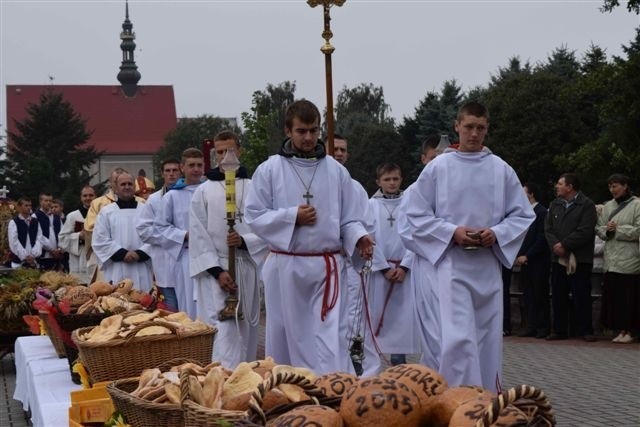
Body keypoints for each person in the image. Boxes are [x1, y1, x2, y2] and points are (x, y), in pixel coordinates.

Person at [398, 101, 534, 392]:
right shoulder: (438, 168)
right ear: (457, 126)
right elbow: (416, 214)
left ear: (487, 129)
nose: (474, 134)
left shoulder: (501, 169)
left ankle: (484, 398)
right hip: (452, 265)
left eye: (480, 128)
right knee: (457, 338)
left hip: (487, 266)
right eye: (469, 127)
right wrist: (452, 232)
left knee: (486, 338)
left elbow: (523, 214)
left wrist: (496, 233)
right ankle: (458, 402)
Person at [244, 99, 375, 375]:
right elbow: (254, 215)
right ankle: (290, 393)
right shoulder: (270, 169)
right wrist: (292, 217)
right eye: (302, 131)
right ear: (288, 131)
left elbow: (350, 217)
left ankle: (330, 390)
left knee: (330, 339)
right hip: (286, 267)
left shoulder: (337, 171)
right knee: (284, 337)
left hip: (326, 269)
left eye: (314, 131)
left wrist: (359, 236)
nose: (309, 137)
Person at [190, 131, 267, 368]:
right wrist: (217, 271)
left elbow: (265, 226)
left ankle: (246, 377)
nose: (224, 157)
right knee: (223, 331)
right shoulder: (203, 190)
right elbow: (198, 234)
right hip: (216, 271)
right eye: (220, 152)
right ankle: (222, 378)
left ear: (239, 151)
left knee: (246, 330)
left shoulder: (255, 187)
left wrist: (244, 241)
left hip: (245, 265)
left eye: (229, 151)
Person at [329, 133, 383, 377]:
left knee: (353, 321)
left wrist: (358, 242)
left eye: (343, 149)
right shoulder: (315, 184)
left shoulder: (356, 188)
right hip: (324, 263)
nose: (339, 153)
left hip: (350, 264)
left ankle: (359, 370)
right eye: (335, 148)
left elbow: (366, 224)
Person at [396, 133, 441, 369]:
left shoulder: (455, 186)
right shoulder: (415, 191)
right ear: (424, 159)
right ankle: (436, 377)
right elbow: (406, 232)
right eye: (434, 158)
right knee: (435, 331)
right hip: (428, 265)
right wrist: (445, 241)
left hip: (458, 267)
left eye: (443, 156)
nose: (439, 162)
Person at [368, 163, 419, 366]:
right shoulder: (370, 205)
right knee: (377, 320)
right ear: (378, 181)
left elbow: (415, 235)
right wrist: (383, 267)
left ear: (401, 179)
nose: (391, 183)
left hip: (404, 273)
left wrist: (405, 266)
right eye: (387, 179)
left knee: (401, 325)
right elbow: (368, 237)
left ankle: (400, 367)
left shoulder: (411, 204)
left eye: (395, 179)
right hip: (380, 272)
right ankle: (373, 367)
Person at [544, 173, 598, 342]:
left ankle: (585, 330)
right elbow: (548, 228)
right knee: (558, 294)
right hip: (558, 258)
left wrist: (565, 245)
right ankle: (559, 330)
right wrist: (556, 246)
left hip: (579, 258)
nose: (557, 186)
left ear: (570, 187)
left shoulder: (586, 205)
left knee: (581, 294)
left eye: (560, 184)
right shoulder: (555, 204)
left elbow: (585, 230)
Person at [156, 148, 205, 319]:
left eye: (199, 165)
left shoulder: (211, 190)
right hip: (187, 256)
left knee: (211, 303)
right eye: (191, 165)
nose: (196, 169)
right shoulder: (172, 196)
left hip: (213, 254)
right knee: (189, 306)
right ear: (182, 168)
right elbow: (161, 227)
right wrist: (184, 235)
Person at [595, 174, 640, 344]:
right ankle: (620, 329)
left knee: (629, 298)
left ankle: (630, 330)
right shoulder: (607, 206)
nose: (612, 190)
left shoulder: (637, 205)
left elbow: (638, 230)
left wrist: (618, 229)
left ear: (625, 186)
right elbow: (599, 228)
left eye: (615, 186)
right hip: (611, 259)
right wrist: (607, 231)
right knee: (615, 299)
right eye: (610, 187)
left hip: (630, 260)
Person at [92, 173, 152, 290]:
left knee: (143, 303)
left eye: (130, 184)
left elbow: (154, 236)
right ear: (116, 188)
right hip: (116, 267)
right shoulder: (106, 212)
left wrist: (139, 254)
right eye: (123, 184)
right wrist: (123, 254)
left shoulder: (145, 209)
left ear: (134, 188)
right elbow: (99, 239)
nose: (127, 187)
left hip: (140, 266)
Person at [135, 158, 182, 311]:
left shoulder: (192, 194)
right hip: (165, 261)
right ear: (162, 174)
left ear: (181, 171)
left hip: (187, 259)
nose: (171, 174)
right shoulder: (153, 200)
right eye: (167, 171)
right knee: (172, 309)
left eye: (175, 170)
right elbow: (144, 231)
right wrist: (173, 236)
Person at [515, 182, 551, 338]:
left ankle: (543, 326)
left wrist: (528, 255)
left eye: (523, 192)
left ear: (531, 194)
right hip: (525, 261)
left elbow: (541, 238)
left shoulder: (542, 212)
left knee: (540, 294)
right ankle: (531, 325)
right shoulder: (524, 213)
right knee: (528, 294)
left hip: (538, 261)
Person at [58, 186, 96, 283]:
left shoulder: (101, 214)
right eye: (85, 196)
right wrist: (79, 236)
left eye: (91, 195)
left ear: (96, 196)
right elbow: (62, 239)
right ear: (81, 198)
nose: (88, 198)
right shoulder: (72, 216)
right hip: (79, 260)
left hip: (96, 257)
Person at [7, 198, 42, 269]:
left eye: (30, 205)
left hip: (33, 260)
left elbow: (39, 238)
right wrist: (25, 256)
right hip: (19, 261)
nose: (29, 207)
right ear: (19, 207)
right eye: (26, 205)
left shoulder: (35, 222)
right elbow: (14, 242)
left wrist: (33, 254)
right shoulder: (14, 222)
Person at [35, 192, 64, 271]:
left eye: (50, 201)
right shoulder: (35, 217)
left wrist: (60, 249)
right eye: (46, 200)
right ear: (40, 202)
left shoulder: (56, 217)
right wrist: (51, 249)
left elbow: (63, 233)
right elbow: (38, 236)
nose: (48, 203)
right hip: (44, 255)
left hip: (57, 256)